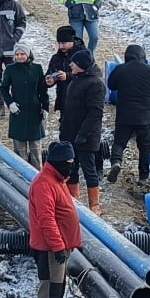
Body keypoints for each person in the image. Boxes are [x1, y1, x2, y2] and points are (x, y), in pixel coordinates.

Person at [28, 141, 83, 298]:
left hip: (58, 247)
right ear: (60, 162)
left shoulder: (57, 179)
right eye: (69, 163)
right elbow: (46, 219)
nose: (71, 167)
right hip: (50, 249)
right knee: (51, 288)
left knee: (58, 287)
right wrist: (58, 247)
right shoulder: (45, 184)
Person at [106, 44, 150, 184]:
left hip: (124, 114)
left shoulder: (120, 69)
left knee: (119, 142)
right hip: (144, 116)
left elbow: (111, 85)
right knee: (144, 146)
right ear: (143, 56)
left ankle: (116, 162)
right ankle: (143, 176)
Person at [59, 49, 105, 213]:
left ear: (82, 66)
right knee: (72, 169)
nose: (70, 64)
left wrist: (83, 135)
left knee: (89, 170)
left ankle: (94, 206)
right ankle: (74, 202)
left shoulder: (95, 84)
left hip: (86, 137)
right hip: (71, 135)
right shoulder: (75, 81)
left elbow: (95, 113)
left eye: (74, 62)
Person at [1, 42, 49, 167]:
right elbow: (4, 88)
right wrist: (10, 103)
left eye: (22, 54)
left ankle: (37, 177)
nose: (19, 57)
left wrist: (45, 107)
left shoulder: (37, 68)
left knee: (36, 151)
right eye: (17, 54)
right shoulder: (10, 69)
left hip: (34, 112)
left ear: (28, 55)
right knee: (20, 151)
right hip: (18, 112)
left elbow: (43, 90)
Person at [44, 25, 85, 119]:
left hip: (81, 101)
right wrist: (49, 80)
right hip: (64, 101)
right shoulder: (56, 58)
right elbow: (48, 74)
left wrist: (68, 76)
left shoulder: (84, 55)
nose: (61, 46)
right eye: (59, 43)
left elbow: (91, 75)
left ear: (72, 41)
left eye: (63, 43)